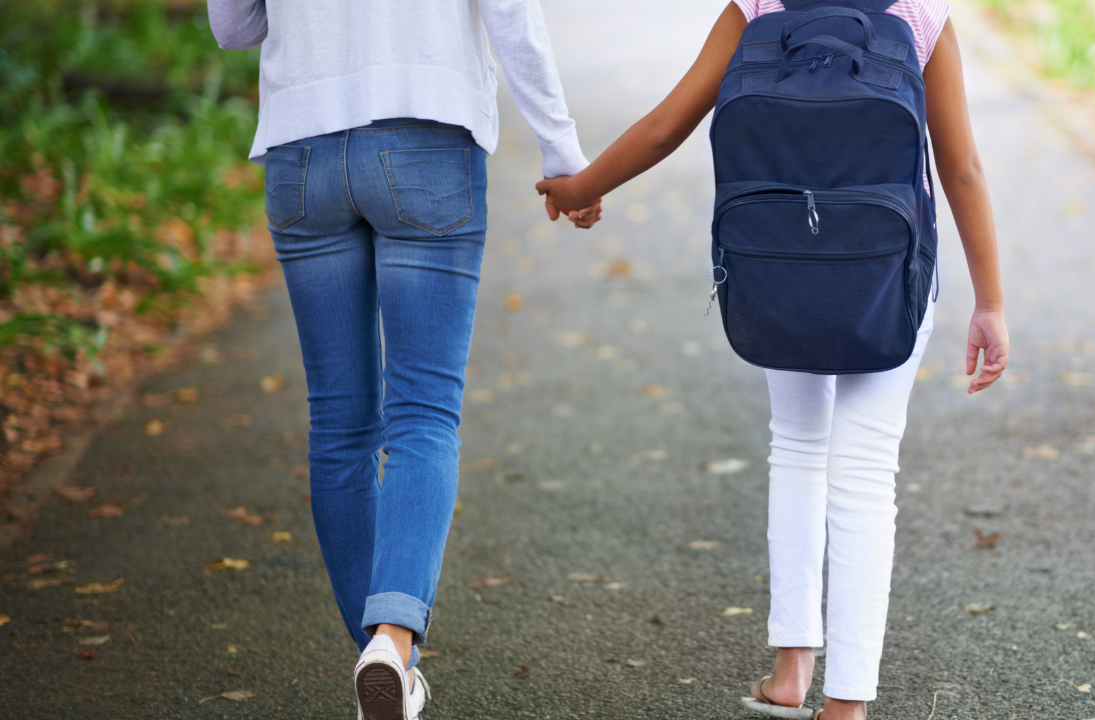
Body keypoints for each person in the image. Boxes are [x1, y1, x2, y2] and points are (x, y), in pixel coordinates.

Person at [537, 1, 1008, 718]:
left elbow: (668, 126)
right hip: (890, 275)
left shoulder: (762, 6)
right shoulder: (917, 13)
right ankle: (846, 701)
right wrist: (990, 304)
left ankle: (791, 671)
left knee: (796, 447)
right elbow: (962, 167)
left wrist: (583, 186)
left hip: (778, 264)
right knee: (865, 471)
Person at [208, 1, 600, 718]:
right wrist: (561, 149)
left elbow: (234, 28)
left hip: (303, 153)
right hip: (426, 137)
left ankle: (384, 663)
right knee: (422, 412)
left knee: (338, 426)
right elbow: (510, 11)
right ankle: (391, 645)